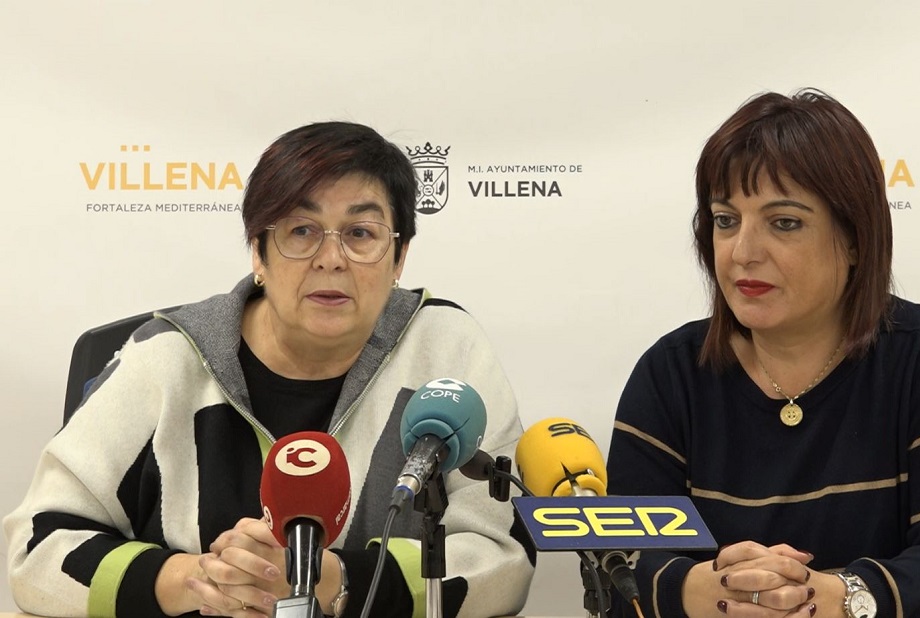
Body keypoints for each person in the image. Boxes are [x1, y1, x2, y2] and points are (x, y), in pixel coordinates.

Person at [4, 122, 535, 618]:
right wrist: (200, 580)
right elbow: (37, 547)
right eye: (302, 230)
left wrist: (332, 580)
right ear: (258, 252)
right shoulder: (166, 357)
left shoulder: (446, 351)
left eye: (360, 233)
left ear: (399, 258)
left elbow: (503, 554)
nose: (331, 258)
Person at [606, 90, 920, 618]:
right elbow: (619, 567)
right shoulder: (669, 374)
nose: (743, 252)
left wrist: (839, 597)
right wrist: (700, 591)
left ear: (855, 238)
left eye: (784, 223)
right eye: (726, 220)